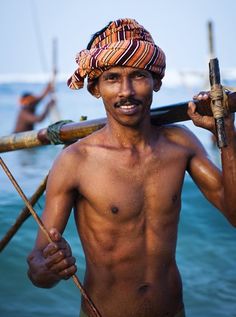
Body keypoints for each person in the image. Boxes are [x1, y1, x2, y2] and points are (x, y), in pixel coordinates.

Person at [27, 18, 236, 317]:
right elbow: (37, 267)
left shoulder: (181, 144)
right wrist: (47, 267)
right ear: (95, 88)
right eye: (112, 78)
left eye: (138, 76)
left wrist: (225, 133)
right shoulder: (76, 161)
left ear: (156, 82)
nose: (126, 91)